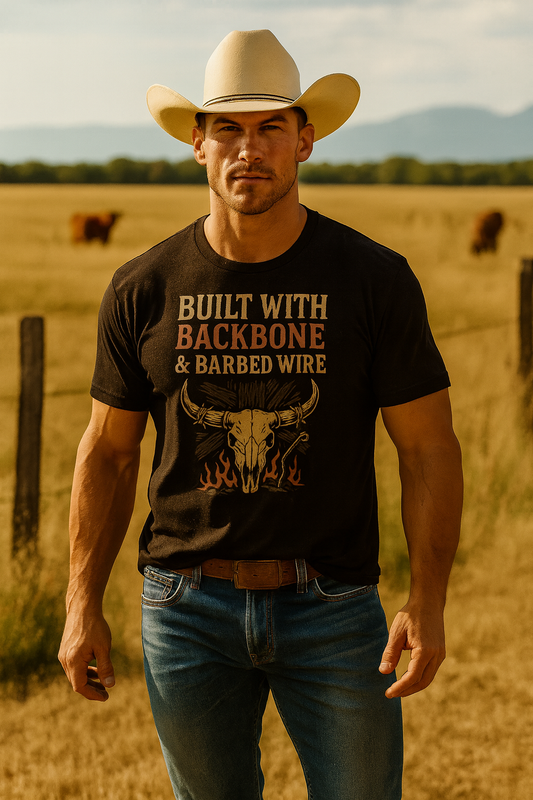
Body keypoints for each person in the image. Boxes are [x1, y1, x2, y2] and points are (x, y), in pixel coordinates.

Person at [59, 29, 463, 800]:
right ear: (197, 144)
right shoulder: (142, 287)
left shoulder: (374, 279)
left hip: (335, 607)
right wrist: (81, 606)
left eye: (271, 127)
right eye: (229, 130)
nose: (250, 150)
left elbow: (427, 449)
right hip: (184, 608)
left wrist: (427, 599)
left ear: (305, 140)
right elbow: (106, 454)